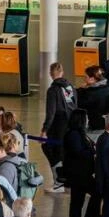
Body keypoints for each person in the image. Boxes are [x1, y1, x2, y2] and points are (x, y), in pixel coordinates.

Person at [40, 61, 75, 191]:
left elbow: (51, 112)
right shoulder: (70, 87)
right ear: (62, 72)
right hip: (71, 124)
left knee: (51, 150)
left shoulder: (53, 90)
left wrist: (45, 129)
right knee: (65, 152)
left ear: (50, 74)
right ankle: (67, 179)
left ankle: (59, 180)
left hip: (58, 126)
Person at [62, 108, 101, 217]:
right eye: (86, 118)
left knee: (78, 202)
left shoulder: (80, 134)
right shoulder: (73, 135)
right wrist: (92, 153)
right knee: (78, 201)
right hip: (78, 175)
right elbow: (78, 152)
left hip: (83, 174)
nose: (88, 120)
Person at [77, 65, 109, 132]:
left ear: (92, 79)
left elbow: (78, 103)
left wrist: (81, 89)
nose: (84, 79)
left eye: (86, 77)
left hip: (96, 127)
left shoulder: (91, 93)